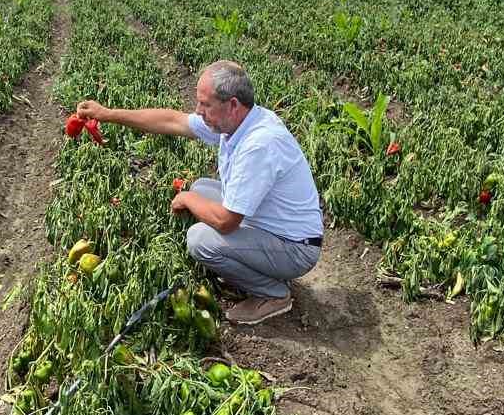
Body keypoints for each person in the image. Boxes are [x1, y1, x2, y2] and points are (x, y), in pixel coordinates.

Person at [74, 60, 322, 326]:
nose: (198, 111)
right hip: (270, 225)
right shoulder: (240, 121)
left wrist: (187, 199)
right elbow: (173, 121)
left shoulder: (259, 144)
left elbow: (226, 222)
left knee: (200, 239)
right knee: (202, 187)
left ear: (233, 105)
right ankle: (252, 265)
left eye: (205, 105)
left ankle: (273, 294)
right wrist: (107, 113)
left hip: (295, 248)